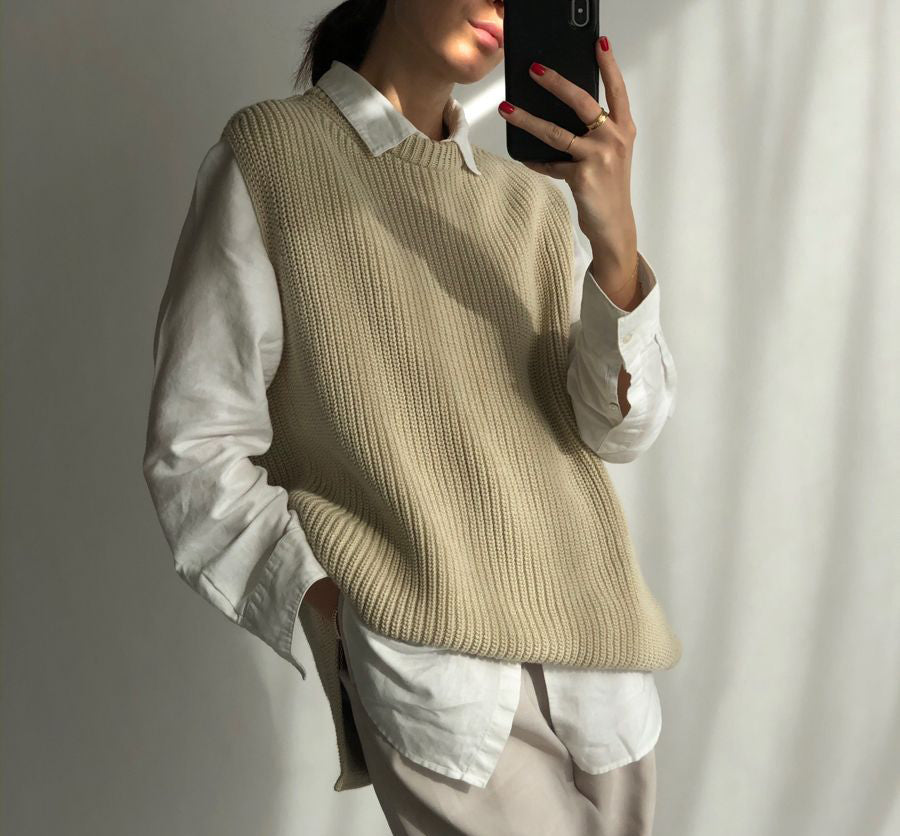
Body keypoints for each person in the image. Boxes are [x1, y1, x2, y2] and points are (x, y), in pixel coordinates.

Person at [142, 1, 682, 833]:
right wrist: (333, 608)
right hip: (443, 678)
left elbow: (615, 428)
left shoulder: (532, 203)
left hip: (603, 671)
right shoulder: (273, 158)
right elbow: (196, 446)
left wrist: (614, 242)